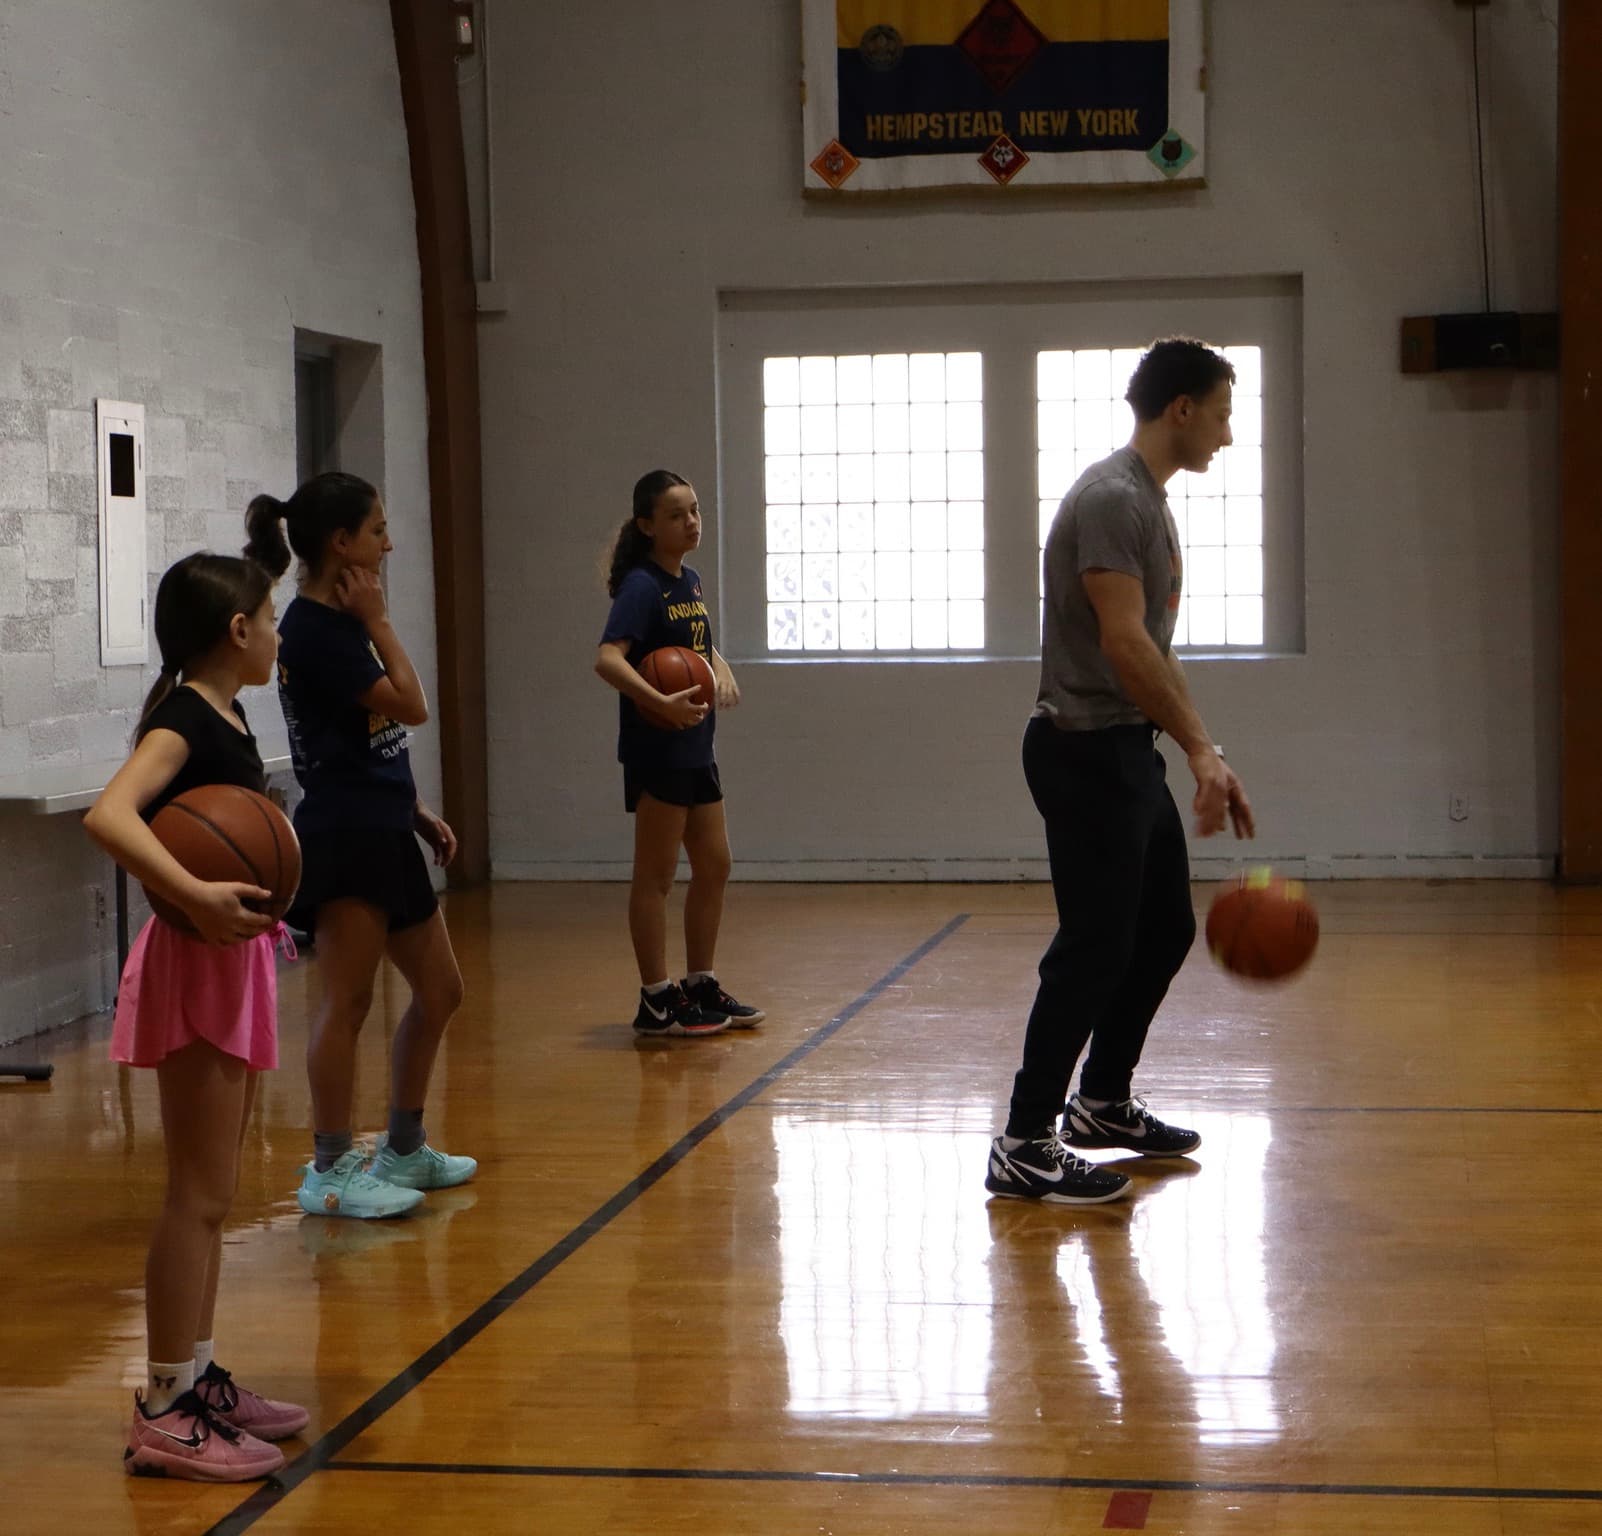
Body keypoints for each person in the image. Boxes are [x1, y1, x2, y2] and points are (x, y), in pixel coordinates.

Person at [986, 338, 1257, 1206]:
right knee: (1094, 947)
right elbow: (1123, 641)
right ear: (1181, 408)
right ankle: (1025, 1140)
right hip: (1082, 751)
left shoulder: (1146, 499)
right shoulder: (1113, 499)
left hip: (1123, 747)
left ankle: (1100, 1102)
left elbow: (1151, 654)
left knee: (1164, 929)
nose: (1225, 432)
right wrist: (1200, 751)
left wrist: (1205, 746)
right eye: (1219, 412)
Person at [84, 552, 308, 1480]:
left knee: (219, 1196)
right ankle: (165, 1405)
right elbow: (109, 816)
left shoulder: (228, 708)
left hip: (234, 956)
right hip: (197, 958)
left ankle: (199, 1375)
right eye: (273, 615)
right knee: (199, 1194)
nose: (281, 631)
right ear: (239, 631)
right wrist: (194, 894)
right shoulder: (181, 719)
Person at [244, 473, 475, 1220]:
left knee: (441, 990)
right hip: (344, 837)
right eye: (377, 529)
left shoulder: (334, 623)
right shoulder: (320, 631)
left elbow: (367, 733)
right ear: (341, 543)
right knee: (346, 1002)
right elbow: (414, 706)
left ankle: (403, 1147)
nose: (389, 541)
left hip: (381, 824)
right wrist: (380, 622)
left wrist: (412, 805)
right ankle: (331, 1167)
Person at [594, 470, 764, 1037]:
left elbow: (692, 642)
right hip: (658, 749)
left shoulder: (685, 579)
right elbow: (608, 659)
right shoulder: (641, 585)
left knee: (715, 864)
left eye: (694, 511)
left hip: (696, 746)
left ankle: (699, 983)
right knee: (656, 876)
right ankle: (656, 998)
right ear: (647, 526)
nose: (691, 521)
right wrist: (658, 701)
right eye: (676, 515)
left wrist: (721, 664)